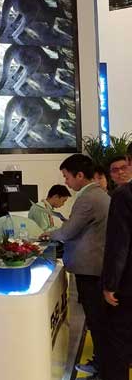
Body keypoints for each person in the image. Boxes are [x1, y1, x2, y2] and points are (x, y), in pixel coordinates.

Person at [41, 154, 110, 378]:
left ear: (80, 175)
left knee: (96, 320)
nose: (66, 182)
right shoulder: (96, 195)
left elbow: (68, 231)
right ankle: (101, 363)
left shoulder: (88, 198)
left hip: (90, 269)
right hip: (93, 266)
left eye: (66, 176)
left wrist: (48, 235)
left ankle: (102, 367)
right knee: (97, 319)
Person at [101, 143, 132, 380]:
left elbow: (119, 244)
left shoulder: (124, 195)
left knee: (119, 340)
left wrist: (110, 284)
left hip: (128, 284)